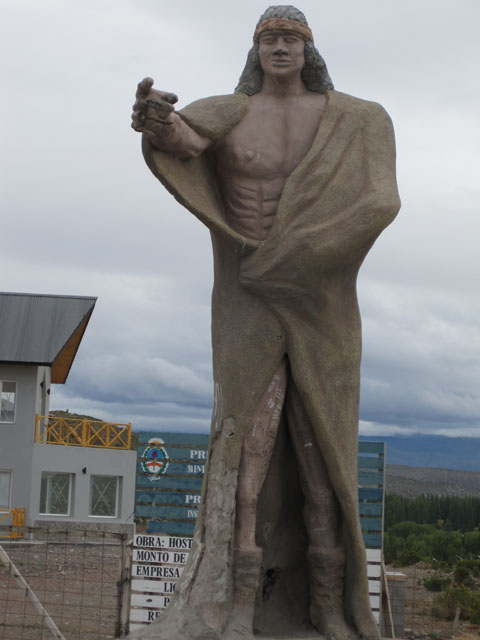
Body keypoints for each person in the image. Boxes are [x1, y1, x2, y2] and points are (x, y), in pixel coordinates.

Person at [129, 6, 400, 640]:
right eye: (269, 39)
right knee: (245, 451)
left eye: (291, 39)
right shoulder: (230, 111)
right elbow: (186, 140)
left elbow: (380, 199)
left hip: (319, 301)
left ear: (308, 50)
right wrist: (157, 121)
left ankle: (327, 606)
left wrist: (307, 253)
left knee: (321, 452)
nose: (280, 48)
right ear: (255, 51)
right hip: (245, 296)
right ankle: (240, 603)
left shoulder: (357, 119)